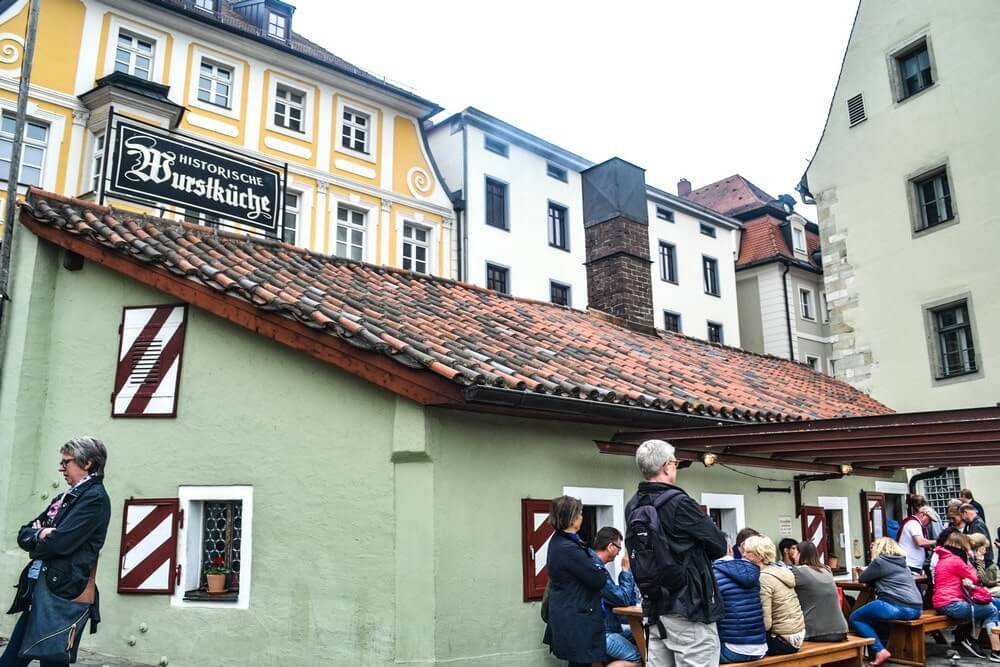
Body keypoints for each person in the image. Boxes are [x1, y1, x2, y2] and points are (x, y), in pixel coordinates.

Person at [1, 437, 111, 667]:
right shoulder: (65, 498)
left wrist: (45, 537)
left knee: (31, 661)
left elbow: (60, 544)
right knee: (23, 660)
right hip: (42, 591)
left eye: (66, 462)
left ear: (87, 463)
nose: (61, 467)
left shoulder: (94, 499)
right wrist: (41, 534)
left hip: (60, 594)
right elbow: (24, 533)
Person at [626, 439, 727, 667]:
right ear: (666, 466)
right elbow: (719, 544)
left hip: (655, 609)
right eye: (675, 461)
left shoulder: (632, 506)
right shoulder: (680, 503)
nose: (675, 466)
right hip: (689, 607)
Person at [542, 496, 608, 667]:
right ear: (571, 518)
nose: (582, 517)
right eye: (579, 513)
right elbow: (599, 578)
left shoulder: (559, 541)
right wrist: (597, 565)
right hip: (577, 618)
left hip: (570, 614)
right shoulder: (569, 548)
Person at [848, 537, 924, 666]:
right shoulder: (902, 563)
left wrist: (863, 572)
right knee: (874, 617)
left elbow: (863, 579)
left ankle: (879, 650)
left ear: (878, 548)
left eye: (873, 547)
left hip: (894, 605)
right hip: (916, 609)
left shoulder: (880, 562)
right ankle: (879, 648)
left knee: (856, 618)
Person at [931, 530, 1000, 661]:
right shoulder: (955, 560)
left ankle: (972, 641)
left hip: (944, 602)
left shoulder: (944, 558)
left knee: (985, 607)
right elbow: (975, 578)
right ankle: (996, 651)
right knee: (991, 610)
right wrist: (978, 560)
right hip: (952, 604)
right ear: (960, 545)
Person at [741, 535, 806, 656]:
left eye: (748, 552)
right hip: (798, 634)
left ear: (759, 555)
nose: (743, 555)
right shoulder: (780, 571)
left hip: (783, 640)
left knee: (742, 648)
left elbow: (766, 623)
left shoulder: (763, 578)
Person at [591, 527, 641, 667]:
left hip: (608, 629)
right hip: (603, 633)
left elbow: (624, 601)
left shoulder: (596, 566)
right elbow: (622, 598)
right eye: (618, 547)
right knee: (637, 657)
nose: (619, 552)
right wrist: (626, 571)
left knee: (639, 633)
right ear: (610, 546)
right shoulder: (596, 569)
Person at [713, 547, 767, 662]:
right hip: (760, 647)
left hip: (732, 650)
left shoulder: (713, 574)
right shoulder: (752, 571)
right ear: (729, 550)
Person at [790, 541, 848, 642]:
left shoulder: (799, 571)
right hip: (841, 630)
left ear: (800, 554)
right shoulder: (827, 569)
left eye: (794, 553)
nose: (793, 557)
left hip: (817, 632)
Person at [897, 505, 935, 574]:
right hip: (909, 565)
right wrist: (937, 541)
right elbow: (920, 542)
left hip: (911, 565)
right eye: (929, 520)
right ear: (922, 515)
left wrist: (930, 546)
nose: (929, 523)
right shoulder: (914, 523)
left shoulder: (913, 523)